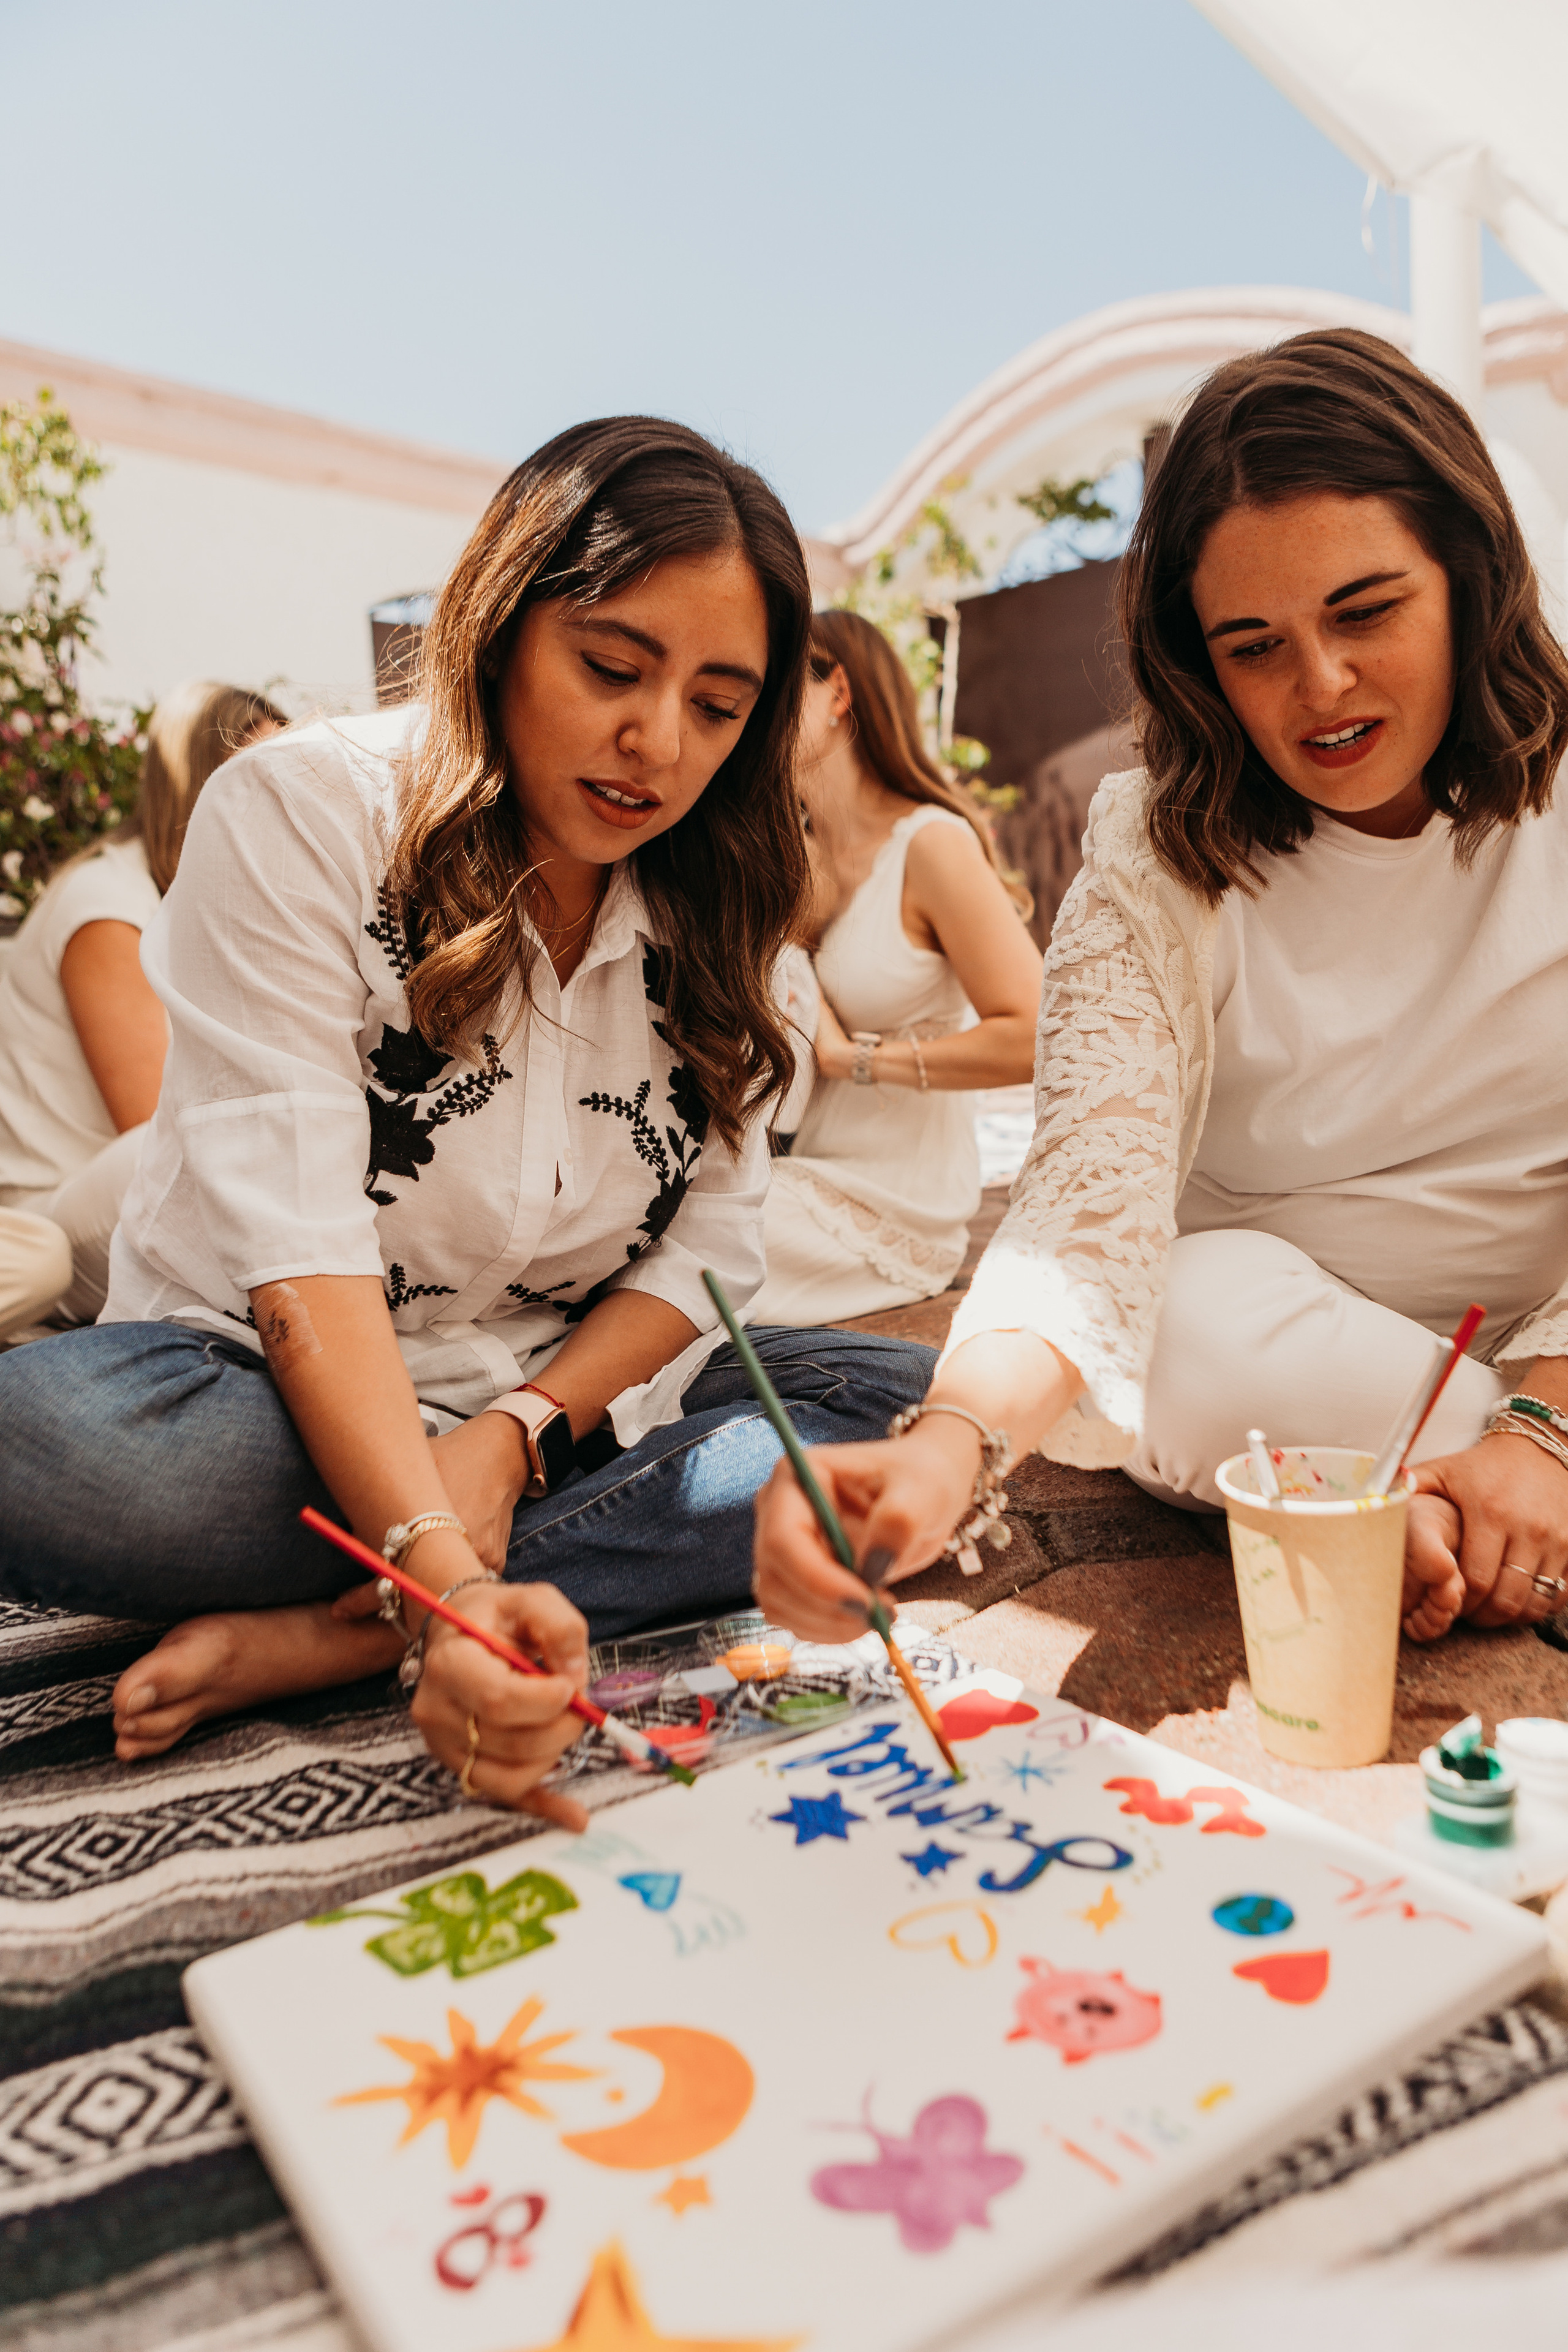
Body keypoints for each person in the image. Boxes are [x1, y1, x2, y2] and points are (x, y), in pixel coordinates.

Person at [0, 417, 932, 1819]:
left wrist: (504, 1439)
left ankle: (340, 1626)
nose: (653, 741)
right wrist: (444, 1567)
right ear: (497, 626)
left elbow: (710, 1252)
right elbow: (303, 1248)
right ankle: (462, 1576)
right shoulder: (301, 812)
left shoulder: (730, 904)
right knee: (68, 1453)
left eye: (717, 703)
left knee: (905, 1412)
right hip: (264, 1391)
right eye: (611, 666)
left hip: (552, 1405)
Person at [754, 329, 1568, 1651]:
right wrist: (948, 1451)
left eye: (1363, 612)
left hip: (1537, 1353)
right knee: (1185, 1321)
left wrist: (1544, 1424)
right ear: (1195, 662)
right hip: (1261, 1358)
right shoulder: (1154, 852)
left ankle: (1460, 1497)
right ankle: (1469, 1506)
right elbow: (1084, 1211)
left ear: (1469, 577)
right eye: (1250, 646)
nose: (1319, 688)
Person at [750, 609, 1042, 1324]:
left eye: (765, 693)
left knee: (682, 1258)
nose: (743, 717)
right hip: (796, 1173)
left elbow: (1035, 1033)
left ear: (837, 694)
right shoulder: (790, 858)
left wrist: (855, 1058)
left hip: (894, 1209)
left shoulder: (931, 845)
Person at [0, 681, 286, 1326]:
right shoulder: (106, 906)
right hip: (46, 1219)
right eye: (256, 780)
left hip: (130, 1191)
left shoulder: (218, 904)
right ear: (194, 789)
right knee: (195, 1135)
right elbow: (152, 1117)